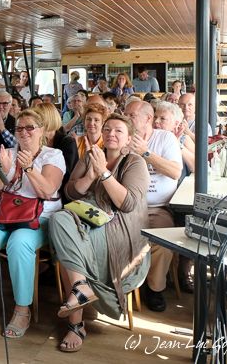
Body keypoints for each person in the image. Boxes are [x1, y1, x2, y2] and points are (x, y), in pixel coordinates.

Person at [50, 114, 150, 352]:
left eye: (118, 131)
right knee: (58, 218)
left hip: (119, 228)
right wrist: (90, 175)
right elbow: (71, 192)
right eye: (107, 129)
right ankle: (81, 286)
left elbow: (127, 204)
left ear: (128, 139)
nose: (111, 134)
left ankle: (76, 325)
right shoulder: (91, 155)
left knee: (70, 248)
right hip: (86, 218)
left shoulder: (135, 163)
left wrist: (103, 173)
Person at [0, 109, 65, 339]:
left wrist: (28, 168)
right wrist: (6, 171)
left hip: (38, 217)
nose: (24, 132)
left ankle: (22, 309)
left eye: (30, 128)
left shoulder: (53, 155)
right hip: (6, 214)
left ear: (41, 131)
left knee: (19, 243)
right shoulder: (5, 153)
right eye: (19, 128)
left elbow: (47, 191)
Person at [124, 100, 182, 313]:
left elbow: (175, 172)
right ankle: (119, 286)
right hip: (127, 207)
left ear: (148, 118)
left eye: (131, 115)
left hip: (157, 208)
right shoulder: (124, 137)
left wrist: (146, 152)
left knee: (162, 241)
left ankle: (154, 288)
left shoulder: (165, 138)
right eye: (125, 114)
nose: (126, 118)